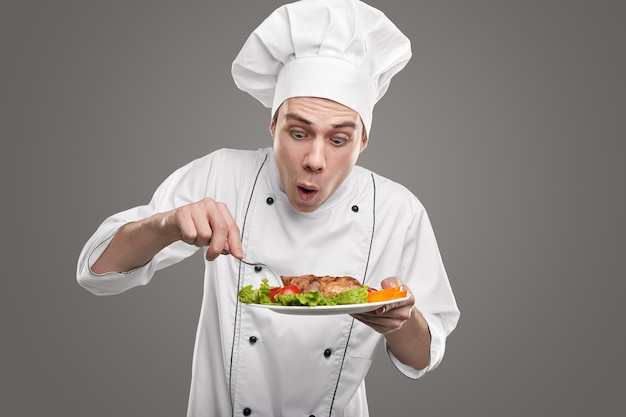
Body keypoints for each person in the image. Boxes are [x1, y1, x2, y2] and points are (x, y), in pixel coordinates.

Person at [76, 0, 460, 415]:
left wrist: (400, 322)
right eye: (298, 132)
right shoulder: (223, 174)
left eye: (338, 139)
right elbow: (96, 273)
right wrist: (165, 225)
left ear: (362, 141)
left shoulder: (396, 209)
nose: (314, 159)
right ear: (273, 126)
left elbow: (423, 357)